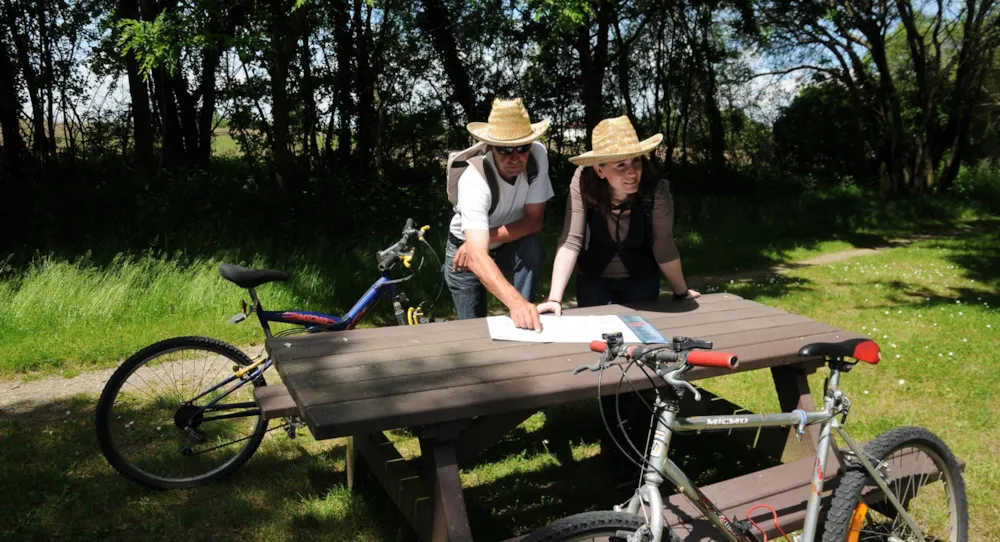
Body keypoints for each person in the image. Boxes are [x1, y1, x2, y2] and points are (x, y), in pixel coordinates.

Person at [537, 115, 700, 317]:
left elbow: (663, 244)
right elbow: (571, 240)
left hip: (641, 278)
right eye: (621, 165)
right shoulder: (583, 180)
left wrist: (681, 292)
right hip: (593, 278)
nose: (632, 173)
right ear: (599, 169)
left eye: (636, 161)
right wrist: (554, 299)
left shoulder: (656, 188)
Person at [444, 98, 555, 332]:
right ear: (490, 147)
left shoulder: (538, 156)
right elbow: (476, 256)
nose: (515, 158)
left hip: (500, 244)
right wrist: (474, 249)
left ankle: (525, 320)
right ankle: (520, 308)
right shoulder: (474, 180)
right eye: (505, 150)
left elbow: (534, 222)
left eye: (522, 148)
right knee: (475, 331)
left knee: (532, 247)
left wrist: (483, 243)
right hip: (464, 255)